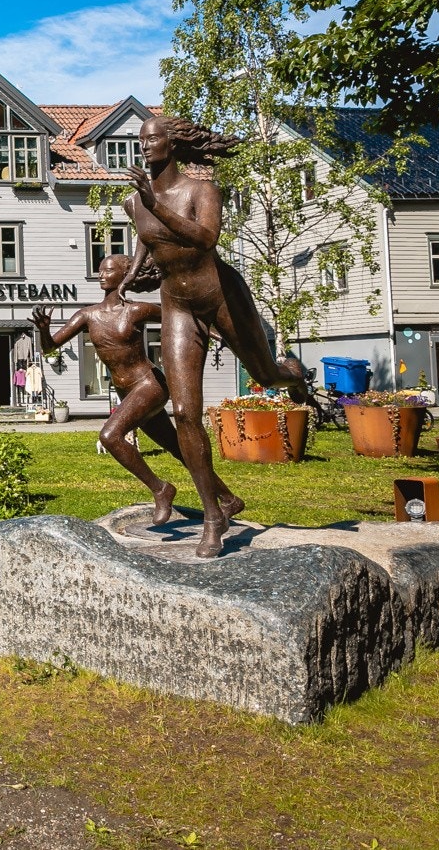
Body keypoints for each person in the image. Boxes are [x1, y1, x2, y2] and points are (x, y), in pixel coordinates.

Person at [117, 115, 307, 557]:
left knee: (266, 374)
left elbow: (205, 238)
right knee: (185, 412)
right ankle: (213, 515)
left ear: (173, 144)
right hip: (178, 306)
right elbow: (147, 239)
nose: (144, 146)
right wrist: (132, 273)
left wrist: (157, 204)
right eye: (140, 140)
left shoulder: (201, 191)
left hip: (221, 296)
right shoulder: (135, 201)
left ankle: (293, 374)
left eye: (152, 139)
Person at [33, 255, 190, 525]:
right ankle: (225, 497)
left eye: (108, 270)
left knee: (110, 436)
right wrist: (44, 330)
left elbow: (180, 320)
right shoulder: (87, 315)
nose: (101, 275)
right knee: (176, 447)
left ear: (125, 275)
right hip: (126, 391)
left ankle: (161, 490)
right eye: (100, 270)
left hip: (149, 384)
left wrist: (213, 334)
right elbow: (50, 347)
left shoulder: (137, 310)